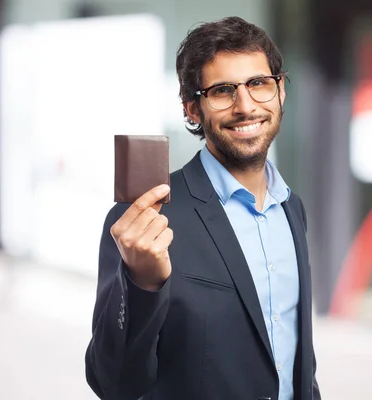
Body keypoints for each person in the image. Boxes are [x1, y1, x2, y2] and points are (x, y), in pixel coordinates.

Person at [85, 16, 321, 400]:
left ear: (280, 92)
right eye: (223, 91)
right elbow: (115, 384)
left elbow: (297, 361)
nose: (246, 106)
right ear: (193, 109)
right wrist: (143, 283)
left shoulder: (291, 208)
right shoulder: (147, 221)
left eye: (259, 84)